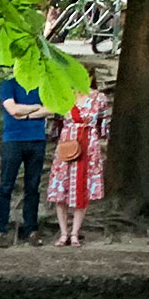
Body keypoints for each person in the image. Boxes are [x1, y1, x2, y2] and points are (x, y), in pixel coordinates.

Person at [43, 83, 110, 246]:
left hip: (88, 146)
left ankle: (75, 233)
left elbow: (103, 123)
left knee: (82, 187)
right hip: (67, 145)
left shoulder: (99, 98)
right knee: (61, 189)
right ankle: (63, 232)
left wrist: (102, 137)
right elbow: (57, 124)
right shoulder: (64, 96)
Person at [0, 70, 52, 245]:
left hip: (37, 140)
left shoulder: (41, 85)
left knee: (33, 187)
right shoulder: (8, 85)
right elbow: (12, 109)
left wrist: (24, 114)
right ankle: (0, 231)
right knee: (6, 185)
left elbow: (51, 108)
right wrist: (36, 108)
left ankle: (31, 230)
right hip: (13, 141)